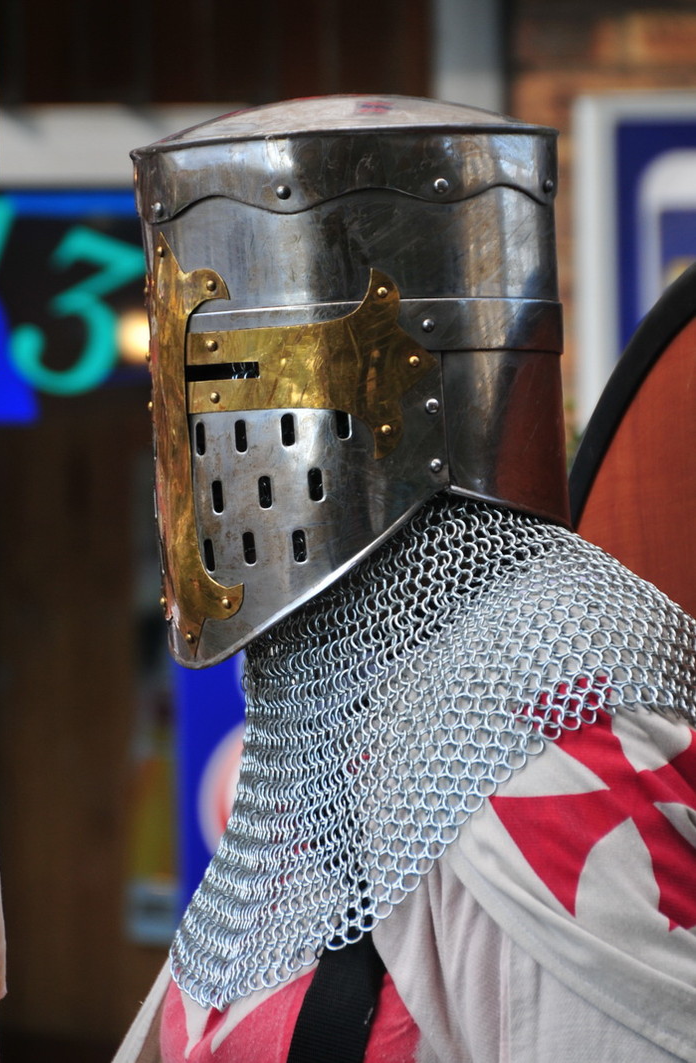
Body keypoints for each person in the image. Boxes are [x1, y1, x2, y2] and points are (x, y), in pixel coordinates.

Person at [119, 96, 696, 1063]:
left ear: (394, 392)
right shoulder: (326, 715)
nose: (203, 456)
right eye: (191, 401)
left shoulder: (546, 733)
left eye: (241, 389)